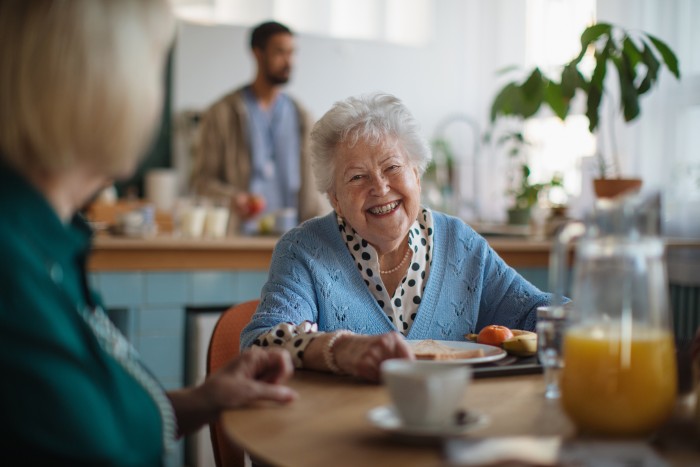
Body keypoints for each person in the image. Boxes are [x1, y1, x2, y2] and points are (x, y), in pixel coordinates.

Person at [0, 1, 296, 464]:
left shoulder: (54, 239)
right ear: (104, 86)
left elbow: (95, 421)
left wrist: (205, 398)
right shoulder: (14, 265)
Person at [241, 92, 557, 382]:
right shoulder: (303, 250)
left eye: (392, 167)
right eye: (357, 177)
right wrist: (339, 348)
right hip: (339, 433)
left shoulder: (462, 245)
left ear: (416, 175)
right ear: (335, 198)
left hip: (448, 428)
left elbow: (539, 314)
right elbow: (259, 344)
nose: (380, 188)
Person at [191, 20, 328, 233]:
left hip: (292, 238)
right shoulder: (222, 114)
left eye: (292, 53)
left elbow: (314, 189)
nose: (289, 61)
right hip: (240, 237)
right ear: (257, 53)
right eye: (280, 52)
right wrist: (233, 199)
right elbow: (201, 181)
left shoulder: (302, 117)